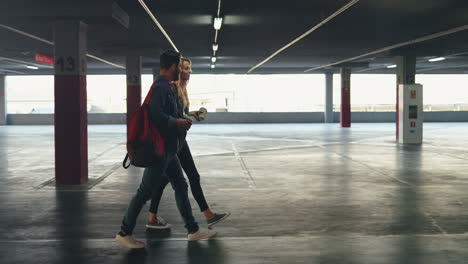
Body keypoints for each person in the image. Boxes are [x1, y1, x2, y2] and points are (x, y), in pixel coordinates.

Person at [115, 50, 216, 249]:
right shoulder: (160, 87)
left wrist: (184, 115)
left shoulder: (168, 87)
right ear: (172, 67)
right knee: (144, 193)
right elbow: (155, 114)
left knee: (181, 184)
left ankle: (192, 230)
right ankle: (124, 232)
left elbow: (169, 112)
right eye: (179, 66)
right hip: (159, 151)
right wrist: (177, 121)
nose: (181, 69)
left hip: (169, 151)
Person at [146, 57, 230, 230]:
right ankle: (206, 216)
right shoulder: (172, 88)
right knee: (188, 177)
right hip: (174, 141)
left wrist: (191, 114)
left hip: (180, 140)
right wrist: (182, 119)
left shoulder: (183, 89)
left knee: (164, 180)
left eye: (190, 68)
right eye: (186, 68)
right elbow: (171, 115)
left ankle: (152, 217)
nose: (189, 71)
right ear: (178, 69)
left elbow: (180, 112)